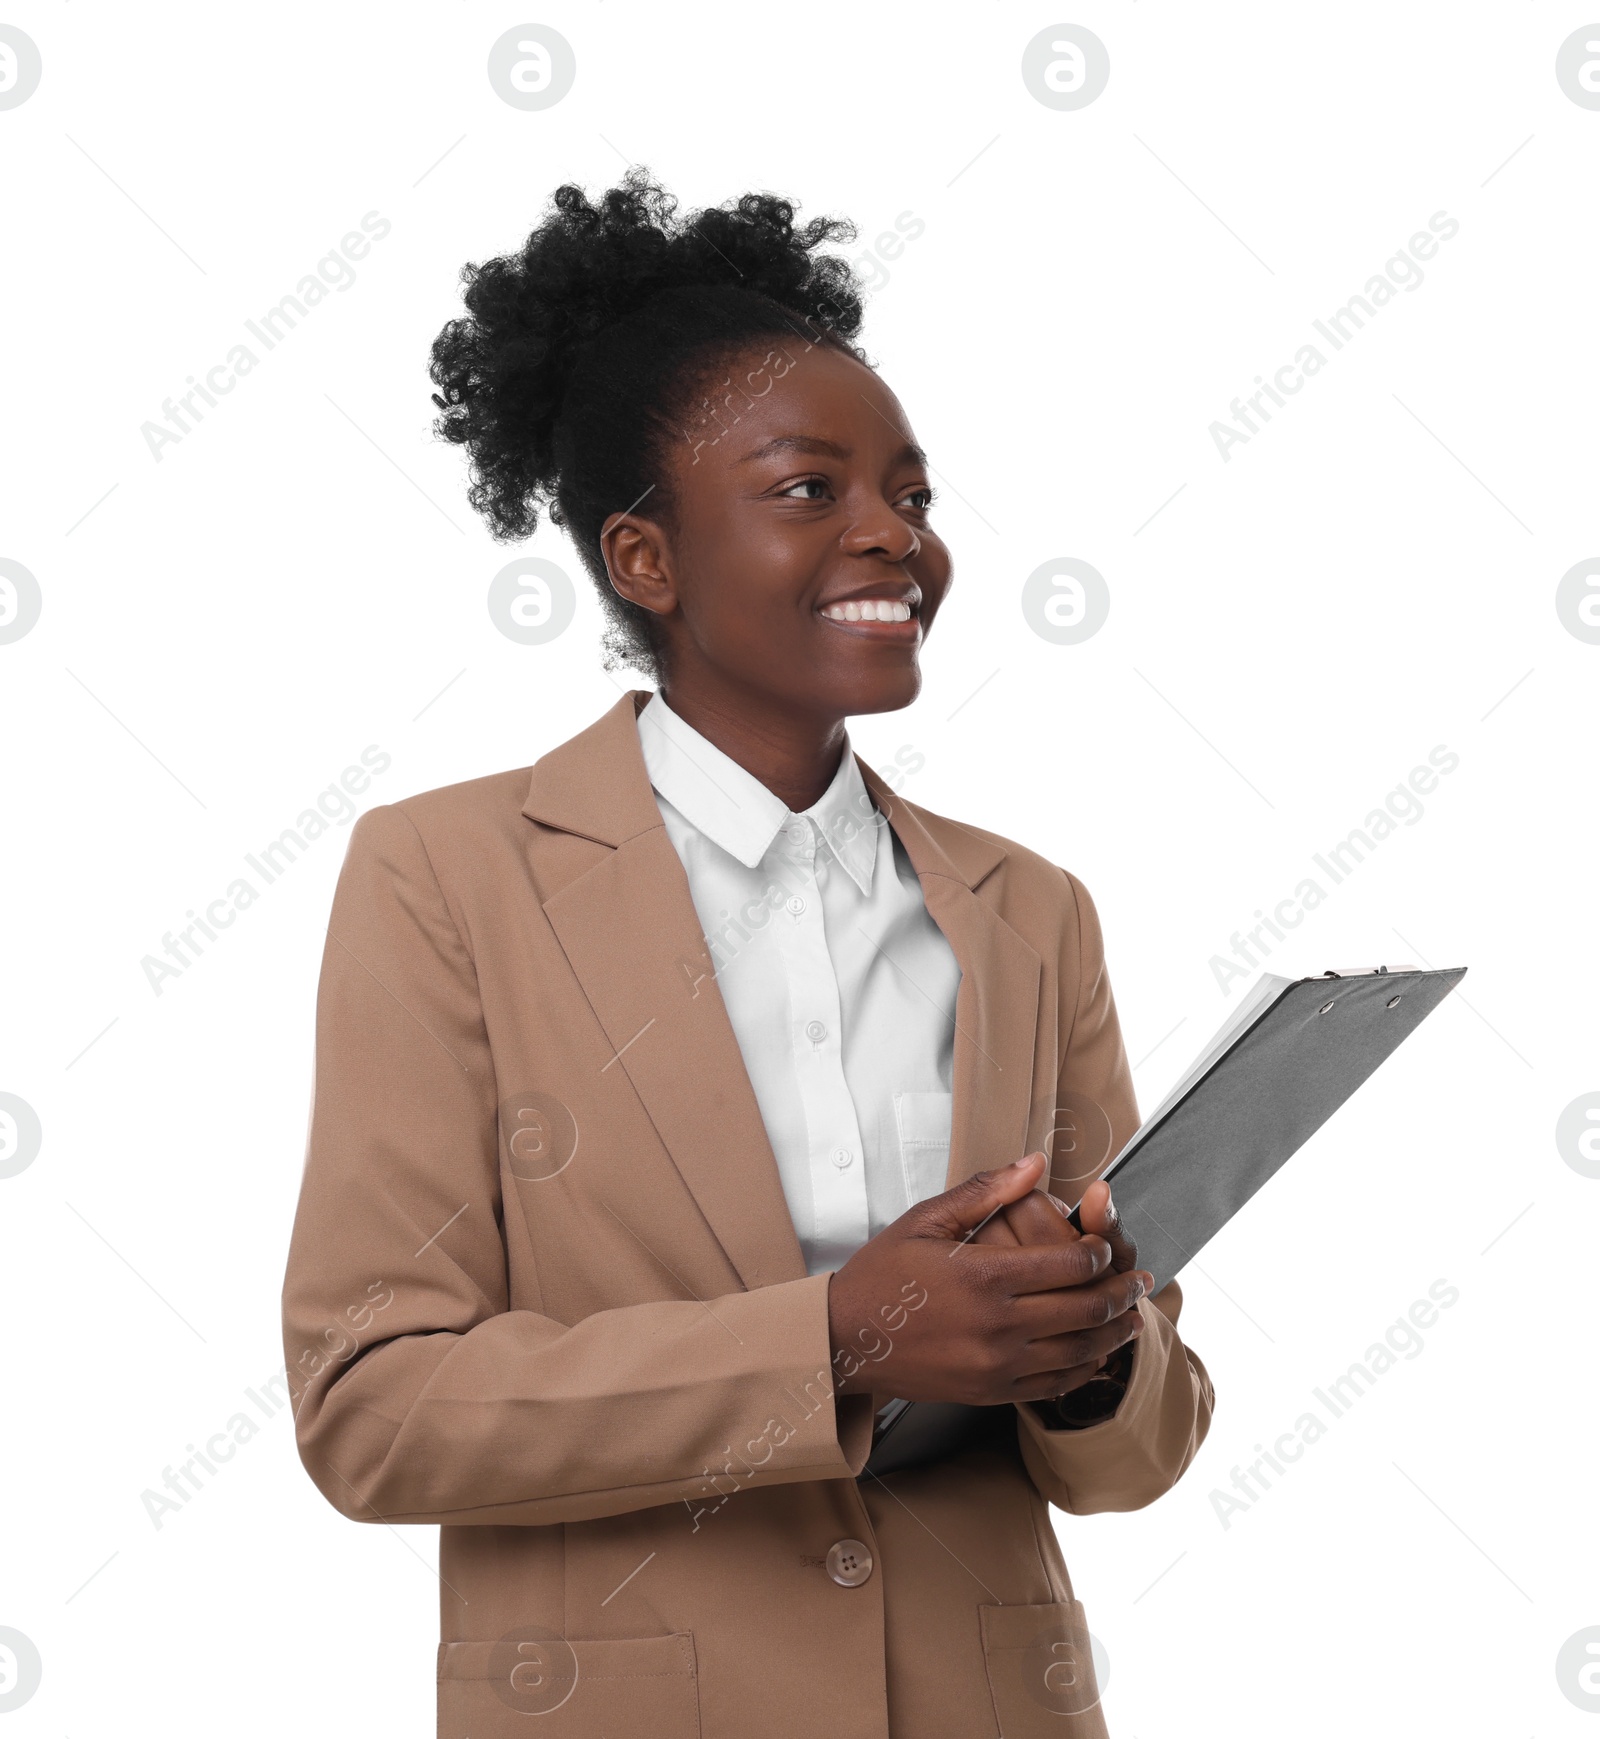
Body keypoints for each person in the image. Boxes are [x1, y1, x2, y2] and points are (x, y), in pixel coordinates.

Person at [280, 167, 1213, 1739]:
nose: (893, 539)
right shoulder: (446, 877)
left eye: (911, 496)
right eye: (810, 490)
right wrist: (840, 1337)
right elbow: (373, 1410)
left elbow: (1139, 1454)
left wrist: (1088, 1354)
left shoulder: (1029, 907)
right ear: (644, 560)